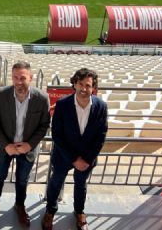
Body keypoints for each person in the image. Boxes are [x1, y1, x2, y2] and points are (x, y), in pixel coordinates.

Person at [42, 68, 108, 230]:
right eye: (80, 84)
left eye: (88, 85)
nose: (84, 89)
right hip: (64, 156)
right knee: (56, 182)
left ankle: (79, 212)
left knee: (81, 185)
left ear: (93, 88)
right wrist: (73, 158)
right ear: (74, 84)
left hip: (86, 158)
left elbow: (101, 134)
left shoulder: (101, 106)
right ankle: (50, 211)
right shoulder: (63, 105)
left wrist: (86, 159)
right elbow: (57, 134)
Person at [0, 61, 51, 227]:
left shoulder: (42, 98)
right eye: (15, 78)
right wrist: (6, 144)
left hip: (27, 149)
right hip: (4, 148)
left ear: (31, 77)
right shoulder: (1, 94)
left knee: (22, 180)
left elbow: (44, 124)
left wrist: (30, 145)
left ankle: (20, 206)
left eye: (23, 78)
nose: (19, 82)